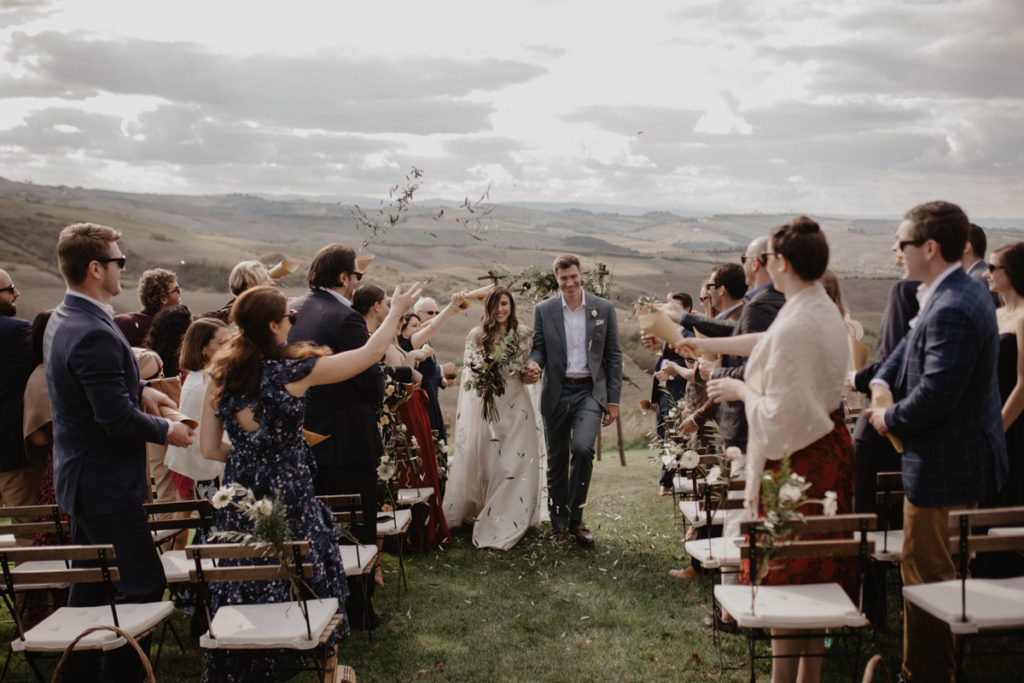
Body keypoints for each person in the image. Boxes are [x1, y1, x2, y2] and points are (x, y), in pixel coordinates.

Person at [199, 282, 418, 681]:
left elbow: (210, 450)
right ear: (273, 326)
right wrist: (397, 310)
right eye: (290, 318)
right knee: (311, 569)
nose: (293, 325)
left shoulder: (219, 374)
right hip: (291, 492)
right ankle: (324, 667)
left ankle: (252, 662)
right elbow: (369, 355)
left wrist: (253, 455)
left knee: (247, 572)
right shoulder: (292, 372)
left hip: (241, 495)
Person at [678, 217, 854, 683]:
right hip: (824, 451)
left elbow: (779, 414)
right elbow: (764, 340)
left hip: (799, 461)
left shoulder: (798, 320)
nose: (761, 265)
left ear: (784, 263)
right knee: (810, 579)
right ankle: (806, 676)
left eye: (769, 258)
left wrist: (739, 392)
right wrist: (705, 341)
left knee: (786, 576)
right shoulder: (815, 307)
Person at [44, 223, 194, 682]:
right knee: (144, 584)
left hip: (82, 479)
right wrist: (170, 430)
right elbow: (114, 420)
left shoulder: (65, 316)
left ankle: (77, 676)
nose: (123, 268)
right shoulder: (92, 330)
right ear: (95, 268)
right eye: (118, 261)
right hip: (106, 484)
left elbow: (94, 391)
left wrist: (142, 388)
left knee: (90, 589)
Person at [866, 201, 1007, 682]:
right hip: (950, 460)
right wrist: (880, 382)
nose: (894, 251)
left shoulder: (954, 306)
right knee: (937, 570)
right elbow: (903, 349)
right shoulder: (942, 292)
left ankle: (925, 674)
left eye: (901, 243)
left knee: (928, 575)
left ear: (930, 247)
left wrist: (886, 416)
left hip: (946, 466)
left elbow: (935, 397)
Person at [286, 244, 390, 629]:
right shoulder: (346, 318)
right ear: (344, 278)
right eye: (356, 276)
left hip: (304, 433)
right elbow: (368, 380)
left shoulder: (293, 308)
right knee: (357, 522)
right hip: (347, 437)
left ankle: (318, 602)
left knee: (314, 522)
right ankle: (359, 611)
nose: (357, 283)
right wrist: (380, 385)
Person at [523, 255, 622, 547]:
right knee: (555, 460)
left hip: (589, 392)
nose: (569, 282)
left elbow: (613, 356)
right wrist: (534, 364)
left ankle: (577, 519)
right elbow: (539, 348)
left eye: (573, 276)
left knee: (581, 449)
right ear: (557, 279)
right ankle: (558, 523)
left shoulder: (603, 308)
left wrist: (612, 401)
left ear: (582, 276)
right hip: (556, 391)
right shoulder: (544, 310)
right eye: (563, 278)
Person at [443, 287, 547, 550]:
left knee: (514, 463)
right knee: (491, 465)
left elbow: (527, 369)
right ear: (487, 309)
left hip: (517, 404)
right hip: (488, 406)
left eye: (504, 304)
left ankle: (512, 517)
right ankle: (488, 509)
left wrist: (529, 374)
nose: (500, 310)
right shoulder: (477, 336)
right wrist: (485, 376)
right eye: (495, 305)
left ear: (511, 305)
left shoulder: (523, 334)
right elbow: (471, 374)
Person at [354, 284, 453, 553]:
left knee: (419, 465)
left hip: (412, 410)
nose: (395, 318)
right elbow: (390, 382)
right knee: (407, 470)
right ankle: (407, 537)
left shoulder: (392, 343)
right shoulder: (381, 343)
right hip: (400, 414)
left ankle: (419, 531)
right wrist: (410, 363)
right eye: (390, 309)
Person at [976, 241, 1024, 576]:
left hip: (1014, 425)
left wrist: (997, 432)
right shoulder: (994, 314)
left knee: (1009, 498)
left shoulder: (1023, 319)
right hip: (988, 419)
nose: (985, 273)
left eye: (993, 268)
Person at [164, 318, 230, 503]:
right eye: (220, 343)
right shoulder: (198, 386)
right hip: (210, 473)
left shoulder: (214, 376)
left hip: (221, 464)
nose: (228, 347)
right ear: (202, 349)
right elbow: (200, 439)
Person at [0, 269, 43, 517]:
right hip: (12, 452)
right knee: (29, 533)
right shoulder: (16, 333)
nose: (17, 293)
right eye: (9, 289)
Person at [409, 293, 466, 442]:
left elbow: (427, 372)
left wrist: (441, 380)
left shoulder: (425, 339)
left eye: (436, 313)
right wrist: (441, 370)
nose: (434, 316)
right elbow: (418, 373)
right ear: (417, 314)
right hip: (421, 400)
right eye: (430, 313)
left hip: (431, 398)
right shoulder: (413, 340)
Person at [114, 267, 181, 346]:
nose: (180, 292)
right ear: (163, 299)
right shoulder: (174, 328)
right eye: (176, 290)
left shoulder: (120, 322)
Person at [198, 259, 276, 322]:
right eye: (266, 279)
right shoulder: (241, 317)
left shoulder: (238, 309)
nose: (272, 283)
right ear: (251, 288)